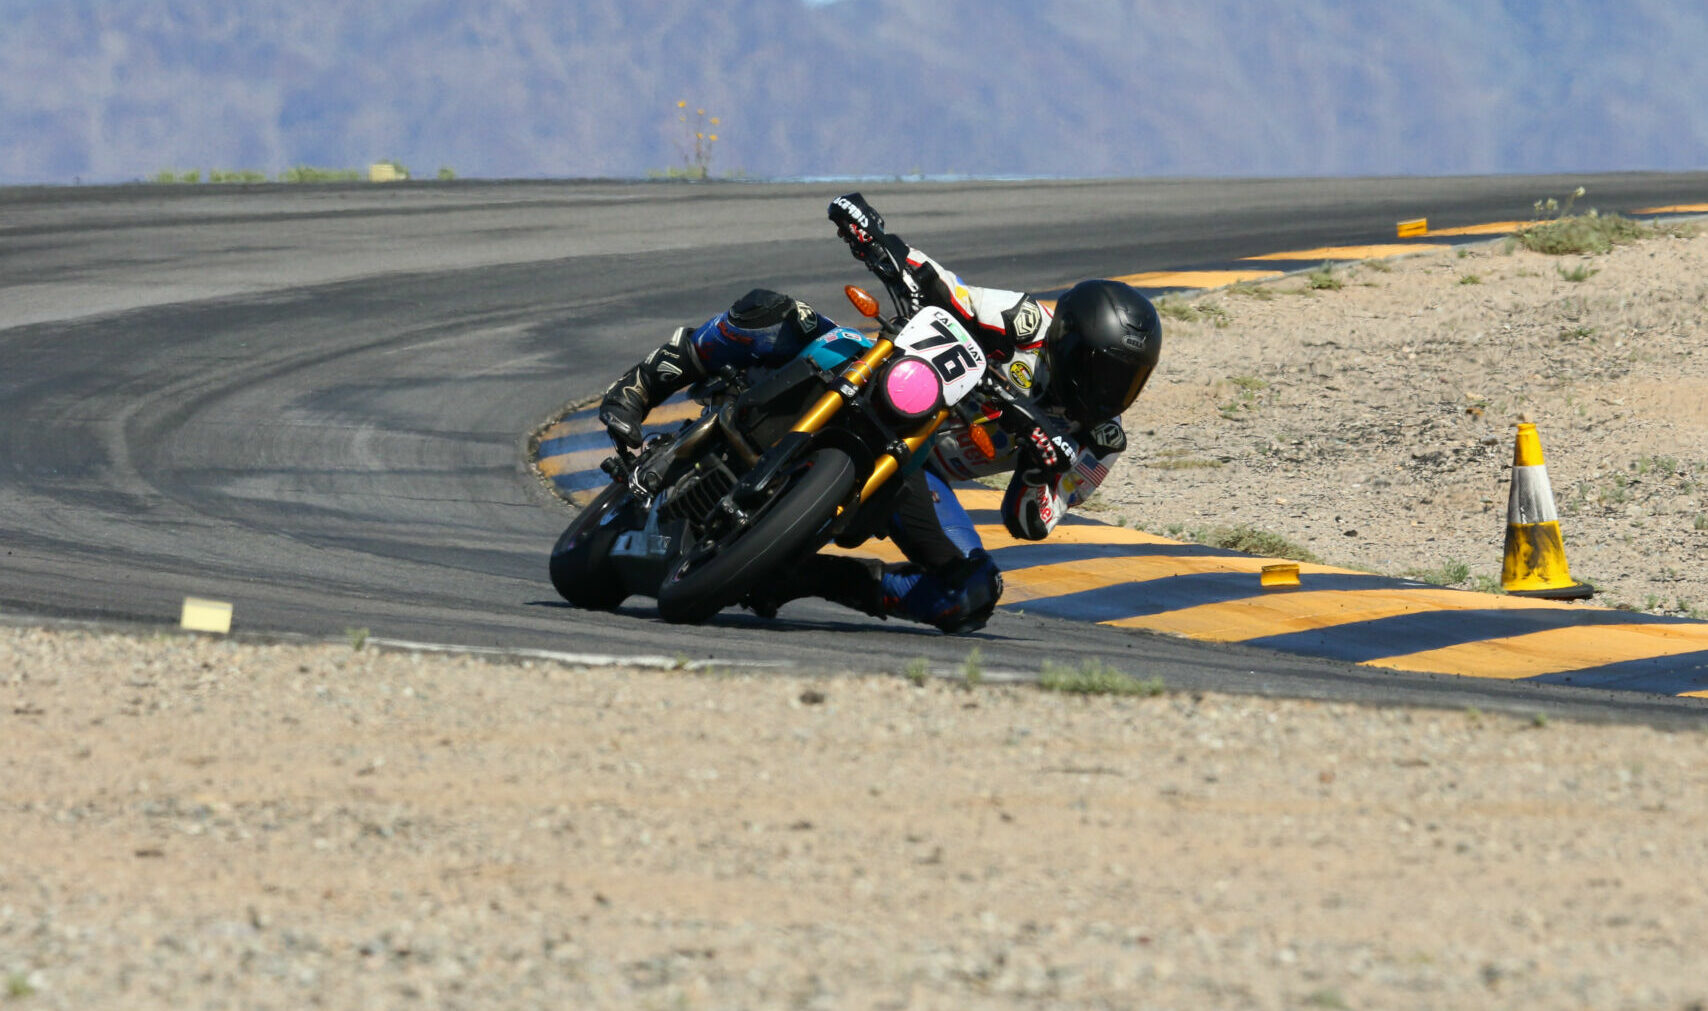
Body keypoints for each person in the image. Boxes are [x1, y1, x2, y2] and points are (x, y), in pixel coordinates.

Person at [597, 193, 1161, 633]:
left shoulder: (1098, 443)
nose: (1112, 391)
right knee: (770, 312)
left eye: (1128, 380)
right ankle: (643, 384)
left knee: (971, 594)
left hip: (919, 471)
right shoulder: (1025, 324)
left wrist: (1041, 471)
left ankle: (799, 575)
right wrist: (880, 241)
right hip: (884, 372)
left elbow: (1031, 520)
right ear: (1068, 346)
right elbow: (950, 292)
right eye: (1103, 371)